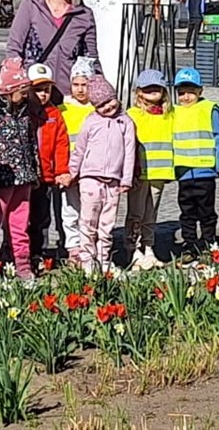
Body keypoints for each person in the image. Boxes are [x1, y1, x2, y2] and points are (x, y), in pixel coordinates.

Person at [0, 58, 43, 280]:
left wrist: (35, 171)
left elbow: (31, 143)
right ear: (10, 90)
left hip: (23, 177)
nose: (26, 95)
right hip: (0, 180)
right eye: (23, 90)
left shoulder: (25, 114)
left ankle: (22, 263)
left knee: (19, 224)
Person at [3, 0, 100, 95]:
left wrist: (101, 91)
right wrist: (17, 84)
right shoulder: (31, 5)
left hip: (68, 95)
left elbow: (90, 59)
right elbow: (14, 48)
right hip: (34, 90)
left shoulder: (84, 15)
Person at [66, 75, 134, 275]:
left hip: (113, 181)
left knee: (107, 223)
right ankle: (87, 259)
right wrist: (72, 172)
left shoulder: (125, 122)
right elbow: (79, 149)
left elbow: (129, 152)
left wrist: (126, 179)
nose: (107, 108)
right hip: (90, 179)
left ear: (116, 97)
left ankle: (104, 259)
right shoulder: (91, 122)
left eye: (109, 102)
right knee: (88, 222)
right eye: (101, 105)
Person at [171, 67, 219, 260]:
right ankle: (189, 245)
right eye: (181, 93)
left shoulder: (208, 110)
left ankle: (208, 243)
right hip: (184, 173)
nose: (186, 97)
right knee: (187, 212)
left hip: (205, 171)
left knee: (206, 211)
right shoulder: (174, 112)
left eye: (190, 92)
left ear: (200, 91)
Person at [125, 68, 175, 269]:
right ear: (139, 92)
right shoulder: (133, 114)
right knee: (136, 212)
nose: (152, 92)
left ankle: (149, 246)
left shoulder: (169, 115)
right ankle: (132, 247)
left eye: (157, 88)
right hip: (139, 173)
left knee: (151, 213)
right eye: (147, 89)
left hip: (160, 172)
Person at [28, 62, 70, 263]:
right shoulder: (24, 113)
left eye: (46, 90)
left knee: (42, 217)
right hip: (26, 177)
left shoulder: (55, 114)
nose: (42, 94)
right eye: (37, 90)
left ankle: (39, 252)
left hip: (46, 175)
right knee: (21, 217)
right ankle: (18, 252)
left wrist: (61, 170)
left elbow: (62, 144)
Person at [58, 59, 97, 267]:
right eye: (77, 85)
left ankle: (89, 245)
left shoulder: (98, 108)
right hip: (70, 169)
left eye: (85, 84)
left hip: (92, 170)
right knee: (70, 210)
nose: (81, 90)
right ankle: (73, 247)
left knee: (90, 210)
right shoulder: (63, 108)